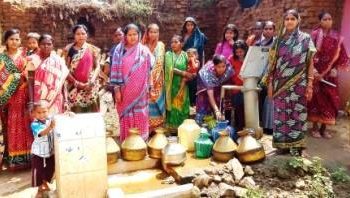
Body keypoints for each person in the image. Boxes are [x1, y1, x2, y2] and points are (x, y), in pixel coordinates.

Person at [266, 9, 316, 156]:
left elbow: (310, 63)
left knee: (298, 113)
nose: (289, 21)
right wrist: (269, 84)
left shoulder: (306, 39)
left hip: (299, 84)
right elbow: (272, 65)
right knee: (281, 114)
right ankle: (282, 145)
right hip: (280, 84)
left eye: (292, 19)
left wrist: (310, 84)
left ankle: (299, 146)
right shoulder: (278, 41)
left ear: (298, 21)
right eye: (287, 19)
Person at [308, 12, 349, 139]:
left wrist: (335, 68)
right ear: (320, 21)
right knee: (315, 100)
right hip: (315, 73)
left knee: (330, 100)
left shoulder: (337, 37)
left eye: (330, 19)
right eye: (325, 19)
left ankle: (324, 128)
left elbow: (342, 55)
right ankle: (314, 128)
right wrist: (313, 72)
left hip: (329, 74)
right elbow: (308, 54)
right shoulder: (314, 36)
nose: (328, 21)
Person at [110, 23, 152, 142]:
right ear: (125, 36)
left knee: (141, 115)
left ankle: (141, 144)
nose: (133, 37)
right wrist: (117, 90)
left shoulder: (144, 50)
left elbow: (149, 71)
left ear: (139, 35)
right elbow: (115, 71)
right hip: (124, 93)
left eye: (135, 34)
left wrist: (150, 87)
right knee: (126, 116)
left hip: (141, 93)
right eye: (130, 34)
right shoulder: (119, 51)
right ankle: (127, 144)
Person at [0, 28, 33, 170]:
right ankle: (14, 160)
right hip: (9, 98)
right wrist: (17, 77)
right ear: (6, 41)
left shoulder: (25, 56)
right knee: (13, 126)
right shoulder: (1, 58)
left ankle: (29, 158)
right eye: (11, 39)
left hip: (24, 95)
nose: (14, 42)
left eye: (17, 39)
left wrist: (23, 76)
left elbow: (30, 73)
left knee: (26, 124)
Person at [28, 34, 69, 114]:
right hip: (39, 100)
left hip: (56, 98)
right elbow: (30, 82)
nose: (46, 46)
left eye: (49, 44)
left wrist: (66, 101)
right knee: (40, 124)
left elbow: (63, 81)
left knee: (55, 124)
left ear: (53, 45)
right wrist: (31, 102)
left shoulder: (59, 61)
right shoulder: (33, 59)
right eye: (43, 44)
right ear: (39, 45)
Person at [63, 24, 101, 113]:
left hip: (91, 87)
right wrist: (77, 83)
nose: (81, 36)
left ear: (87, 35)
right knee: (76, 114)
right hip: (74, 87)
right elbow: (65, 69)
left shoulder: (92, 49)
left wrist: (92, 81)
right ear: (74, 35)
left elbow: (97, 66)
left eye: (83, 34)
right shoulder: (69, 50)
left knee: (92, 114)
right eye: (78, 34)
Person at [195, 54, 234, 124]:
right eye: (219, 67)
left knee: (219, 102)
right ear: (214, 66)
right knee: (204, 104)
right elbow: (210, 95)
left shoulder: (228, 69)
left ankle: (216, 123)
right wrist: (216, 110)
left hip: (218, 87)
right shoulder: (208, 73)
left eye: (223, 66)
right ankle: (201, 125)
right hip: (204, 87)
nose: (221, 69)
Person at [142, 23, 166, 131]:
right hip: (145, 80)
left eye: (156, 32)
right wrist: (148, 79)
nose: (153, 34)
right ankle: (147, 127)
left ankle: (158, 128)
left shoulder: (161, 45)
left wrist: (154, 79)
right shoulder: (143, 46)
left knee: (157, 103)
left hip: (158, 81)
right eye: (151, 32)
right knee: (147, 103)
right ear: (147, 33)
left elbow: (159, 63)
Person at [165, 35, 191, 129]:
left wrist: (189, 76)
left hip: (182, 86)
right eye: (172, 42)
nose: (173, 44)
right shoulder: (168, 55)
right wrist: (183, 73)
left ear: (182, 44)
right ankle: (171, 128)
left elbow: (191, 68)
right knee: (172, 106)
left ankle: (182, 127)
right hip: (171, 86)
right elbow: (169, 69)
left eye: (176, 42)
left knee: (182, 105)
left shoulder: (185, 55)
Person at [30, 102, 55, 197]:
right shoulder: (34, 124)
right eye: (39, 112)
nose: (42, 115)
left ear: (48, 111)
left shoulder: (50, 119)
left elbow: (59, 117)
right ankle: (39, 189)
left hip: (50, 152)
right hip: (38, 153)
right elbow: (41, 133)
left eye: (44, 112)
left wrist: (68, 114)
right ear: (33, 114)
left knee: (50, 169)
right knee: (38, 171)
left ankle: (44, 183)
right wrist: (51, 127)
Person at [181, 17, 208, 106]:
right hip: (184, 59)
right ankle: (185, 101)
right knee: (184, 80)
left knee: (193, 80)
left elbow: (203, 44)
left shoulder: (198, 36)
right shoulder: (183, 35)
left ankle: (193, 102)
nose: (189, 27)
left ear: (194, 26)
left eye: (191, 25)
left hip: (194, 60)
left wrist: (195, 58)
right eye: (188, 25)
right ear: (185, 26)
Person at [228, 40, 248, 131]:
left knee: (247, 109)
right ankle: (239, 129)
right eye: (237, 52)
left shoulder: (249, 58)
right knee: (238, 109)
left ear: (245, 50)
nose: (239, 54)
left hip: (248, 87)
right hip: (236, 88)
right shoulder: (231, 59)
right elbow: (227, 72)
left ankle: (246, 129)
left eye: (241, 51)